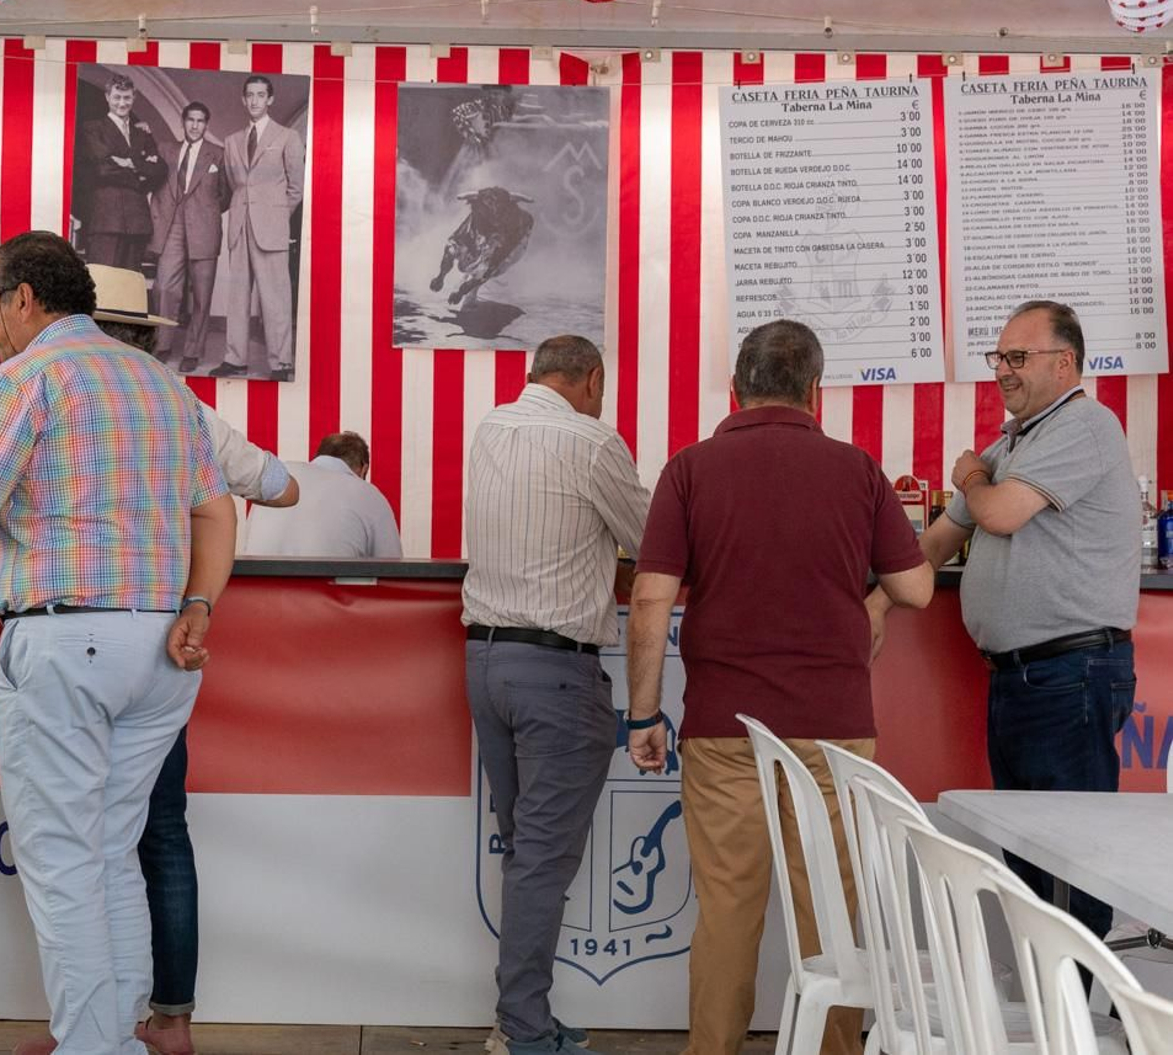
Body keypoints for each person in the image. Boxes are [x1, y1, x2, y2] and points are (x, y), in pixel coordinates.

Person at [0, 231, 235, 1055]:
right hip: (161, 642)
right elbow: (213, 505)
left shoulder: (27, 376)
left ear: (24, 299)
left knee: (61, 861)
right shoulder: (164, 383)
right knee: (109, 850)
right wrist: (199, 600)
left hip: (67, 636)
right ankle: (114, 1038)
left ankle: (92, 1044)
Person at [627, 319, 932, 1055]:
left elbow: (649, 599)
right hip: (835, 727)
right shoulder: (858, 469)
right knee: (833, 910)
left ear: (736, 388)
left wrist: (642, 713)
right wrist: (872, 602)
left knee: (728, 909)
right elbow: (917, 587)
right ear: (815, 393)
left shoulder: (689, 469)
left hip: (723, 729)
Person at [869, 300, 1140, 940]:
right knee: (1028, 860)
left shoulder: (1085, 425)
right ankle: (1050, 1017)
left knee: (1072, 864)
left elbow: (996, 514)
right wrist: (878, 601)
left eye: (1018, 357)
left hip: (1069, 673)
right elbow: (935, 542)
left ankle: (1075, 1023)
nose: (1003, 372)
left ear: (1065, 362)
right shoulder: (1015, 441)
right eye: (1000, 357)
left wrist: (968, 475)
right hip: (1025, 678)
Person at [83, 260, 296, 1055]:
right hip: (166, 639)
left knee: (84, 835)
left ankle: (98, 1022)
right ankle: (168, 1019)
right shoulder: (180, 407)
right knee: (158, 829)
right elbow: (280, 485)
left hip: (77, 636)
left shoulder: (50, 391)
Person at [462, 335, 651, 1055]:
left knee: (524, 851)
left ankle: (522, 1014)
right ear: (592, 378)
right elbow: (651, 539)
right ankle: (522, 1027)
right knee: (542, 858)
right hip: (557, 670)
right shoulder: (595, 441)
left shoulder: (490, 426)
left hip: (484, 659)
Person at [210, 76, 305, 381]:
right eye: (249, 95)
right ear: (243, 99)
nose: (254, 101)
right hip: (239, 225)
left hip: (271, 226)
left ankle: (280, 363)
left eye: (260, 95)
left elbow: (296, 187)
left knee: (275, 297)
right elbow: (232, 185)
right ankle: (235, 359)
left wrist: (276, 216)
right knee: (236, 297)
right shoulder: (232, 141)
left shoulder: (287, 137)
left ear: (270, 100)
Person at [148, 102, 230, 373]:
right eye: (191, 120)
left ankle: (193, 351)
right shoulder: (165, 150)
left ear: (206, 125)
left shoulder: (217, 154)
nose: (195, 125)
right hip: (172, 226)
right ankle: (162, 344)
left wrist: (205, 212)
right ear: (183, 122)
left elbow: (226, 195)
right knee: (164, 288)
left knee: (201, 295)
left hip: (204, 229)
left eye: (200, 121)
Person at [242, 431, 402, 558]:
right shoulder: (368, 494)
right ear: (363, 469)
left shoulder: (279, 475)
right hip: (328, 596)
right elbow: (391, 568)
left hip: (259, 593)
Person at [76, 73, 166, 272]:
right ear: (107, 97)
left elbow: (160, 170)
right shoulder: (93, 128)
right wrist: (141, 170)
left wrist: (129, 163)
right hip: (106, 220)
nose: (122, 103)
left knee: (129, 290)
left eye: (126, 97)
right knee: (104, 287)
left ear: (134, 98)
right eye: (117, 97)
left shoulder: (142, 132)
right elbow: (103, 170)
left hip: (137, 222)